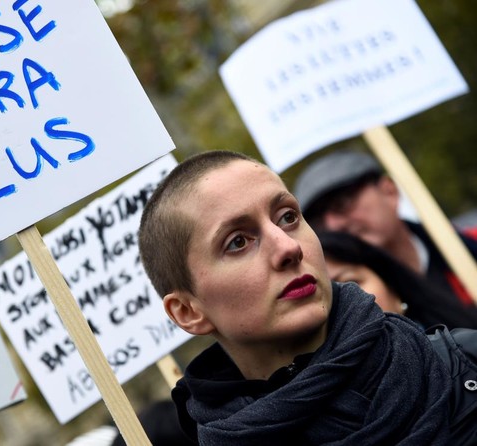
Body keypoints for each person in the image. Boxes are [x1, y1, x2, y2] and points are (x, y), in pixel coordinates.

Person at [137, 150, 474, 445]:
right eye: (238, 241)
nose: (288, 247)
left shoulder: (467, 363)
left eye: (288, 217)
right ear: (187, 311)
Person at [292, 149, 477, 308]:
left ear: (390, 191)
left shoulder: (470, 245)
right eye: (319, 221)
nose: (333, 225)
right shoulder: (348, 312)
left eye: (343, 204)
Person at [317, 230, 477, 329]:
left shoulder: (465, 348)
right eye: (324, 294)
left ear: (390, 284)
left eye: (350, 282)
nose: (343, 299)